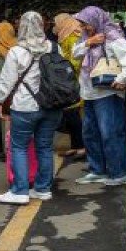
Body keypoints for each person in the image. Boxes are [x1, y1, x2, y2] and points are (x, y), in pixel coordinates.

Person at [0, 12, 62, 204]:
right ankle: (43, 189)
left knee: (19, 147)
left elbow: (6, 81)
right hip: (51, 105)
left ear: (21, 26)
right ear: (42, 25)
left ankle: (20, 191)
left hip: (24, 107)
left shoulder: (16, 52)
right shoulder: (54, 47)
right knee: (45, 147)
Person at [73, 6, 126, 186]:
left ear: (95, 21)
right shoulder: (87, 38)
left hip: (108, 93)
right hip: (89, 92)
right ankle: (97, 169)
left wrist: (123, 77)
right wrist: (89, 42)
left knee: (111, 132)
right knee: (90, 132)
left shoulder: (112, 36)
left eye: (86, 24)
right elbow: (75, 54)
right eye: (82, 24)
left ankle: (120, 172)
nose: (84, 27)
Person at [53, 13, 86, 158]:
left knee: (73, 114)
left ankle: (81, 146)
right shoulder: (68, 33)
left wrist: (64, 68)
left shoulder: (72, 35)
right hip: (71, 78)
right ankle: (75, 145)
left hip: (73, 80)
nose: (56, 26)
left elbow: (76, 59)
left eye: (57, 22)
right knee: (70, 113)